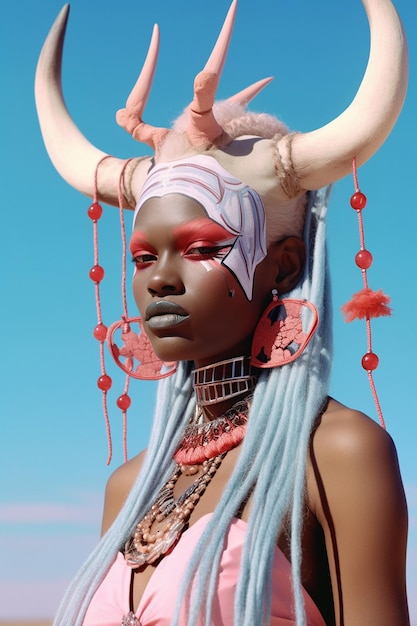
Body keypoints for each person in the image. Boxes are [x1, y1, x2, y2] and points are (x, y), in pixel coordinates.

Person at [34, 1, 409, 625]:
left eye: (204, 248)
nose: (159, 280)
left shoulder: (338, 452)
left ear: (284, 266)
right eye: (142, 256)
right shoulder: (127, 488)